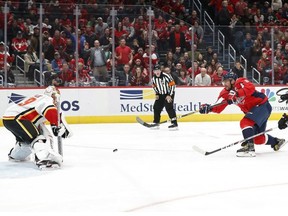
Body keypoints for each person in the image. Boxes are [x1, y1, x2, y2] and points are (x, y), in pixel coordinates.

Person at [199, 72, 285, 157]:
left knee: (245, 122)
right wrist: (208, 108)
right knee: (257, 138)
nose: (224, 84)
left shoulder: (240, 81)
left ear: (232, 81)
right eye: (223, 82)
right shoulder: (225, 93)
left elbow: (250, 88)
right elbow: (218, 107)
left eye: (226, 81)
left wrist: (236, 94)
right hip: (254, 111)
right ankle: (276, 142)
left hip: (262, 106)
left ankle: (249, 147)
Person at [2, 86, 72, 169]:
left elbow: (43, 126)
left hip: (9, 118)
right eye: (54, 96)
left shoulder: (37, 98)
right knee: (38, 138)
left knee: (27, 142)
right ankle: (45, 159)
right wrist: (55, 126)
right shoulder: (46, 99)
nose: (56, 100)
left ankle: (16, 156)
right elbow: (49, 109)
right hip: (18, 118)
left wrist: (60, 127)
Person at [151, 64, 178, 130]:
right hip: (160, 94)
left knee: (169, 107)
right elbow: (154, 86)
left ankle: (174, 123)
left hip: (168, 94)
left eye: (158, 70)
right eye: (155, 70)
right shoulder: (154, 78)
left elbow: (173, 85)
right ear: (153, 71)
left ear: (160, 70)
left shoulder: (166, 76)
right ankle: (156, 122)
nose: (157, 72)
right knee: (156, 107)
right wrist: (157, 93)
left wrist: (169, 95)